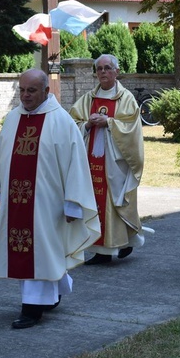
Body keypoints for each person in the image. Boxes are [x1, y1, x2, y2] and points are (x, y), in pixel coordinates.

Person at [0, 69, 100, 328]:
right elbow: (0, 155)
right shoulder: (13, 118)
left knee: (41, 249)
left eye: (31, 90)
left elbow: (76, 165)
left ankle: (32, 308)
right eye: (22, 90)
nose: (25, 96)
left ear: (46, 91)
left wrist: (73, 202)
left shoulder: (62, 121)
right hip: (17, 201)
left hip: (48, 203)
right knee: (42, 250)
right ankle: (54, 289)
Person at [69, 54, 146, 265]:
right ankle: (101, 251)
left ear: (116, 72)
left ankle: (126, 242)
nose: (103, 72)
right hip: (91, 162)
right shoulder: (88, 99)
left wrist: (109, 122)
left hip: (115, 163)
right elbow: (72, 122)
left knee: (116, 204)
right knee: (94, 203)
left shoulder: (126, 98)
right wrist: (86, 125)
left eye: (107, 68)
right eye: (99, 69)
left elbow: (132, 129)